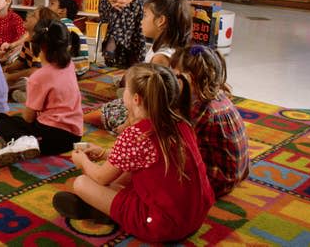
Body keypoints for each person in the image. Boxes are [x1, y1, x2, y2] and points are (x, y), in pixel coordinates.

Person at [52, 63, 214, 243]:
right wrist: (105, 153)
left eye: (126, 89)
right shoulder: (182, 123)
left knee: (82, 183)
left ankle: (104, 210)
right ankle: (104, 208)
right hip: (194, 217)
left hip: (161, 225)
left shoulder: (136, 135)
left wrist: (82, 160)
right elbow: (147, 157)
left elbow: (100, 178)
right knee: (125, 174)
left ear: (136, 98)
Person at [84, 0, 192, 133]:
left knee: (96, 115)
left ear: (161, 21)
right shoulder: (166, 47)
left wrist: (129, 121)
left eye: (145, 16)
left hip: (148, 111)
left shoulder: (160, 58)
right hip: (143, 103)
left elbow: (153, 100)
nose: (141, 21)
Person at [0, 19, 84, 164]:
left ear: (40, 47)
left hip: (50, 135)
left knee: (2, 120)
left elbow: (28, 118)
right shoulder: (69, 65)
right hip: (73, 137)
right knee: (31, 128)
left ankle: (22, 141)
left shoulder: (38, 77)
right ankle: (21, 146)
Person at [171, 44, 249, 198]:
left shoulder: (200, 109)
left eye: (175, 76)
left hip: (216, 181)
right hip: (236, 173)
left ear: (189, 79)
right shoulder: (218, 96)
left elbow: (177, 145)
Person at [3, 7, 60, 99]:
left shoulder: (39, 43)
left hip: (45, 80)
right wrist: (7, 68)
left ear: (40, 25)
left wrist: (9, 77)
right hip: (35, 77)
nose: (28, 15)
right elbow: (21, 61)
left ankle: (35, 96)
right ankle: (26, 94)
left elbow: (35, 71)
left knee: (25, 82)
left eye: (33, 15)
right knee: (15, 79)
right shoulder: (27, 40)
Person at [49, 0, 89, 77]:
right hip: (82, 69)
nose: (48, 7)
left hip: (69, 71)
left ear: (62, 11)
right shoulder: (73, 27)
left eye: (52, 4)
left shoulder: (59, 27)